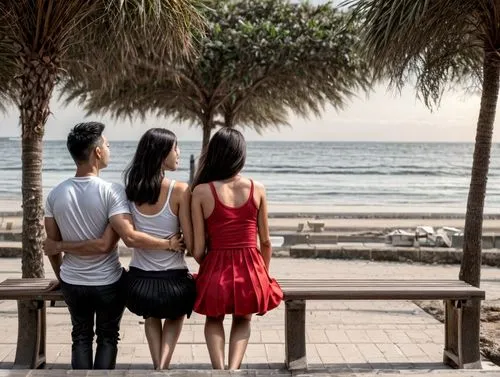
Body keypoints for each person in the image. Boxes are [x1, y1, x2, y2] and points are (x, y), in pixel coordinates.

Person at [44, 122, 183, 370]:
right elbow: (107, 244)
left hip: (72, 282)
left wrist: (62, 276)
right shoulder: (112, 191)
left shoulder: (55, 194)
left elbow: (52, 246)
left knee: (80, 337)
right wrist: (169, 243)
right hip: (107, 281)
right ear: (97, 152)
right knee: (108, 337)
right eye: (107, 145)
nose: (109, 149)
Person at [190, 128, 283, 370]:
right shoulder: (257, 188)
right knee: (243, 318)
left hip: (215, 267)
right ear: (241, 155)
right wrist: (262, 272)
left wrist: (210, 267)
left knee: (213, 317)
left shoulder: (201, 191)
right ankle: (233, 369)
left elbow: (198, 249)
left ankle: (218, 370)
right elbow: (266, 242)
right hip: (251, 268)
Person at [123, 128, 195, 370]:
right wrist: (176, 242)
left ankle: (158, 365)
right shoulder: (180, 189)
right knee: (177, 312)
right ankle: (163, 365)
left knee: (151, 314)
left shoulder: (130, 190)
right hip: (174, 283)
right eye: (175, 148)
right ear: (162, 153)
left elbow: (130, 236)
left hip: (138, 285)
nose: (179, 153)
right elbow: (188, 237)